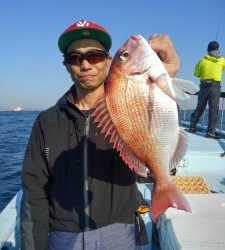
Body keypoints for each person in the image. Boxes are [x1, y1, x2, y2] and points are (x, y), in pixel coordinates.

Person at [20, 19, 180, 250]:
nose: (85, 65)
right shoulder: (46, 121)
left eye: (94, 56)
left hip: (120, 233)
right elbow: (34, 190)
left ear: (107, 60)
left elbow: (156, 132)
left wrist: (169, 75)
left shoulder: (128, 108)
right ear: (66, 65)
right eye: (75, 58)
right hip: (62, 238)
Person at [189, 41, 225, 139]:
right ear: (217, 49)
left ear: (208, 50)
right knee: (214, 109)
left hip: (204, 86)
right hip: (215, 87)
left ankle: (192, 127)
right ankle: (210, 132)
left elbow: (196, 74)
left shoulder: (202, 61)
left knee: (200, 107)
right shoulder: (222, 60)